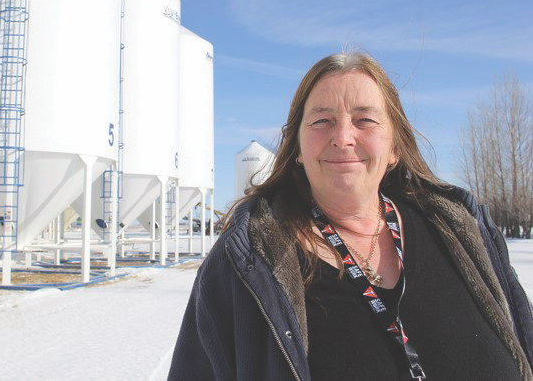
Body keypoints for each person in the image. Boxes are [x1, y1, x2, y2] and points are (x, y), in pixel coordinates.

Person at [168, 52, 533, 380]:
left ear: (395, 148)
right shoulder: (245, 265)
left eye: (365, 120)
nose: (343, 137)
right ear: (296, 148)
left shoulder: (463, 232)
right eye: (322, 120)